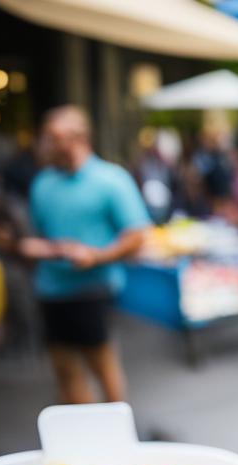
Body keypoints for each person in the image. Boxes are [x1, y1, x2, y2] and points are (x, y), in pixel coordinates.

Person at [17, 106, 151, 404]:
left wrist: (97, 256)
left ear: (77, 138)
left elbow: (138, 235)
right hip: (50, 289)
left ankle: (117, 438)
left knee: (101, 365)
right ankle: (83, 437)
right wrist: (36, 248)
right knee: (64, 368)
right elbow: (41, 235)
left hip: (93, 289)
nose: (45, 145)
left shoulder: (111, 179)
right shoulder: (43, 183)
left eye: (52, 138)